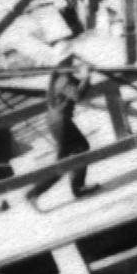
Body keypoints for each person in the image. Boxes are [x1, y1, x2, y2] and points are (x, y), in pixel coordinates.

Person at [45, 65, 93, 199]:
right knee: (81, 148)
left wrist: (85, 77)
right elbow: (77, 95)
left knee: (64, 159)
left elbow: (80, 89)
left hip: (55, 121)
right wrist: (86, 76)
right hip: (61, 121)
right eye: (69, 61)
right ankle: (78, 188)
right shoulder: (63, 79)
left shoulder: (58, 78)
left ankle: (34, 193)